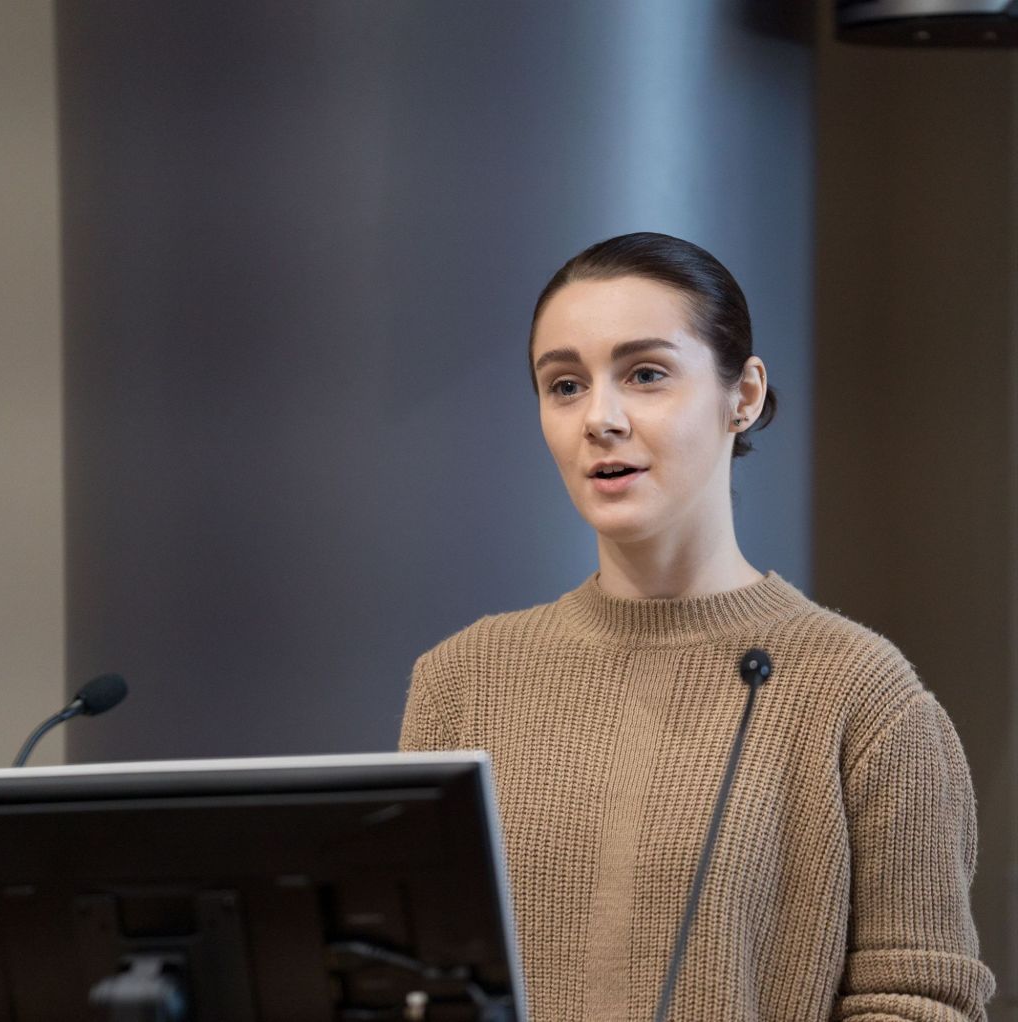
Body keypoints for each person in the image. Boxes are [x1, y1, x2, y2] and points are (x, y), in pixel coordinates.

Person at [399, 232, 995, 1022]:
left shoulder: (862, 694)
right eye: (565, 385)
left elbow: (921, 1001)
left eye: (646, 374)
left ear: (742, 396)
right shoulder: (461, 682)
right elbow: (409, 982)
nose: (600, 418)